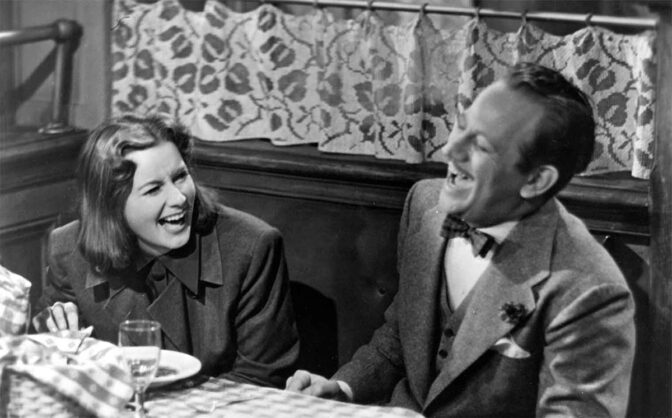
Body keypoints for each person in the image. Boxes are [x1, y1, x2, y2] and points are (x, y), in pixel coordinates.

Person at [286, 62, 635, 417]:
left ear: (535, 181)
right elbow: (400, 338)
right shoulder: (425, 204)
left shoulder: (590, 288)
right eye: (461, 126)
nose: (450, 149)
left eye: (480, 146)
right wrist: (343, 389)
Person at [33, 115, 299, 388]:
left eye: (180, 176)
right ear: (112, 204)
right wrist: (54, 329)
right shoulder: (70, 248)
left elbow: (259, 379)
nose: (179, 198)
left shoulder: (252, 247)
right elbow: (45, 346)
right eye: (153, 189)